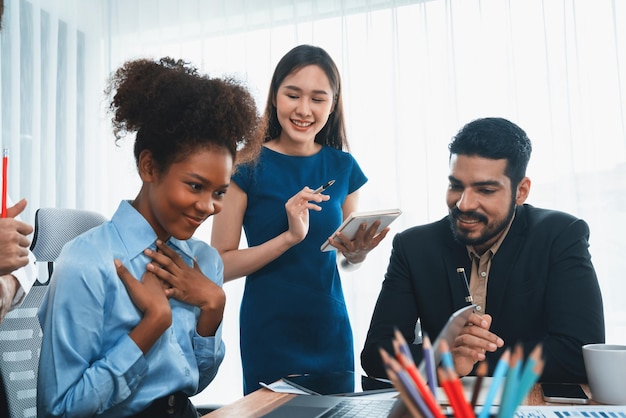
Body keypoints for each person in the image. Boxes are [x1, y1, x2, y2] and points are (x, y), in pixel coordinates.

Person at [37, 57, 261, 418]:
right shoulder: (85, 263)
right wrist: (153, 323)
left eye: (219, 192)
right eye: (195, 186)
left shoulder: (204, 262)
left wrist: (214, 307)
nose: (209, 206)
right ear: (149, 167)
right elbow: (60, 411)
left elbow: (191, 384)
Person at [361, 117, 605, 383]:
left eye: (485, 190)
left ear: (520, 191)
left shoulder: (560, 235)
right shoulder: (414, 246)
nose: (464, 204)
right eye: (456, 185)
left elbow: (581, 353)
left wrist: (465, 362)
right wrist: (447, 358)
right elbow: (376, 355)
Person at [210, 44, 389, 394]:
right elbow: (220, 266)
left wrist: (357, 253)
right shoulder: (246, 165)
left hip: (329, 326)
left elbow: (344, 258)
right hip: (269, 329)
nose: (304, 109)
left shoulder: (343, 167)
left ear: (332, 105)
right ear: (275, 96)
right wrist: (289, 237)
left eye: (318, 99)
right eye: (293, 95)